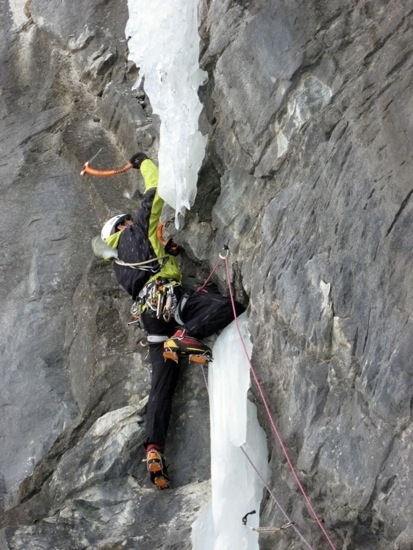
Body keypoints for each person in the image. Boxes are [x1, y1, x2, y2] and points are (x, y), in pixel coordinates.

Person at [99, 153, 244, 489]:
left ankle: (154, 448)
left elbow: (154, 263)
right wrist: (143, 162)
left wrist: (171, 254)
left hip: (151, 321)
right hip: (171, 304)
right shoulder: (136, 231)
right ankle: (186, 335)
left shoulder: (119, 262)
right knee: (228, 306)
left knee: (161, 387)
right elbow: (156, 189)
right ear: (123, 225)